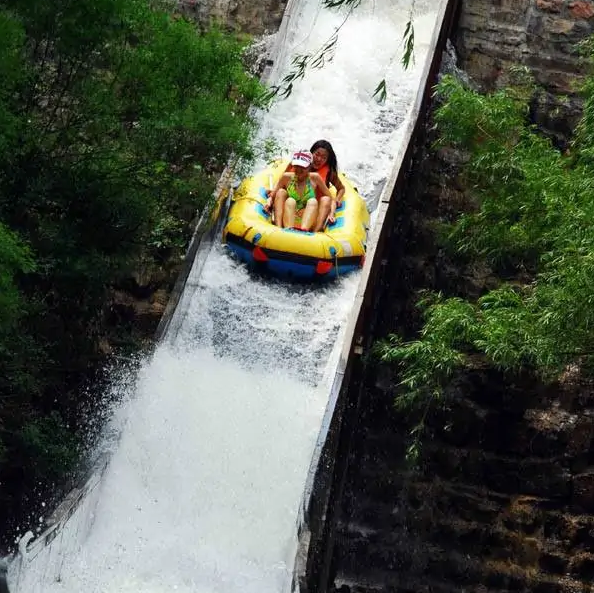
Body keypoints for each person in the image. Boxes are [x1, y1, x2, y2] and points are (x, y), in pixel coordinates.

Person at [267, 140, 345, 231]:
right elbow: (282, 181)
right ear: (311, 154)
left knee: (317, 200)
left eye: (323, 157)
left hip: (312, 208)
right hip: (292, 206)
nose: (319, 159)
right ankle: (279, 228)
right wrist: (272, 195)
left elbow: (340, 190)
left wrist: (336, 201)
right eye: (317, 154)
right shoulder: (292, 170)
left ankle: (315, 232)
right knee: (283, 194)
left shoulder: (324, 175)